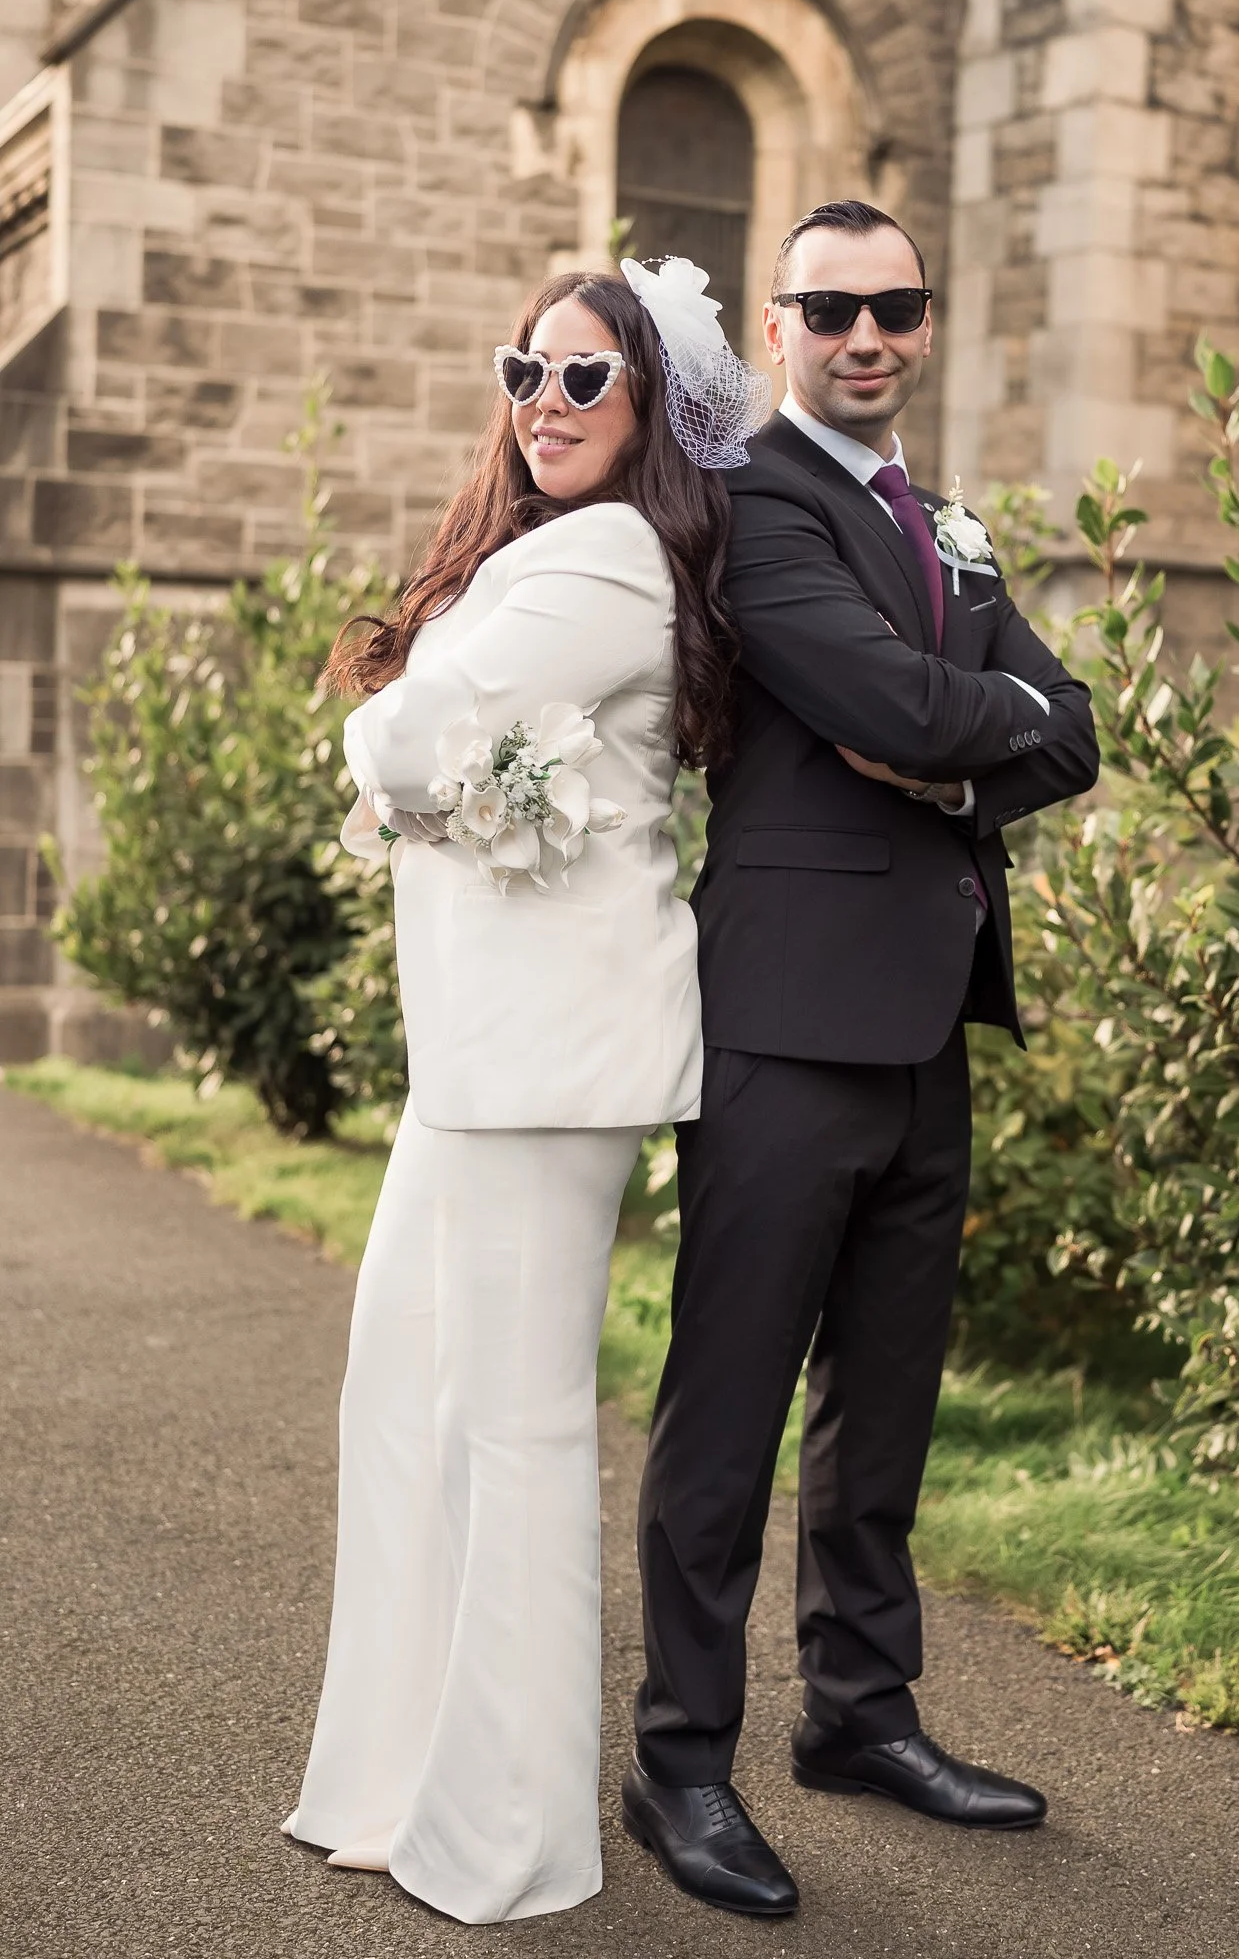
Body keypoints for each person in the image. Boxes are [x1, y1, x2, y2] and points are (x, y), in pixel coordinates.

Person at [624, 200, 1100, 1917]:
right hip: (781, 1024)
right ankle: (680, 1761)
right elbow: (894, 704)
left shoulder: (943, 522)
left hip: (928, 1022)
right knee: (727, 1411)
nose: (867, 335)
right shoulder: (751, 505)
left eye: (895, 305)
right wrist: (964, 723)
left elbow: (1074, 728)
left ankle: (859, 1714)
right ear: (776, 329)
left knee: (881, 1403)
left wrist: (963, 748)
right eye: (830, 309)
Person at [281, 257, 766, 1924]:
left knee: (516, 1427)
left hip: (553, 1064)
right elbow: (429, 745)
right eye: (524, 373)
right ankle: (405, 1780)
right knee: (410, 1399)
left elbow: (407, 752)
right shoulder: (534, 556)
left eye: (583, 380)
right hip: (475, 1051)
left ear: (646, 412)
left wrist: (398, 747)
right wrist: (419, 740)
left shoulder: (616, 552)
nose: (543, 406)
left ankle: (508, 1836)